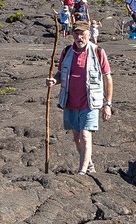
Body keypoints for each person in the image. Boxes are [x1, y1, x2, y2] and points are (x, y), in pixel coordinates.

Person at [48, 17, 113, 175]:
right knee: (76, 138)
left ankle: (82, 171)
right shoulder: (66, 52)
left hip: (89, 102)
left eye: (82, 34)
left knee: (85, 134)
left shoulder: (98, 52)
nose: (79, 37)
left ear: (89, 34)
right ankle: (89, 163)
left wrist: (108, 104)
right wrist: (54, 80)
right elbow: (61, 72)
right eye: (76, 34)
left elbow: (107, 78)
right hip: (70, 102)